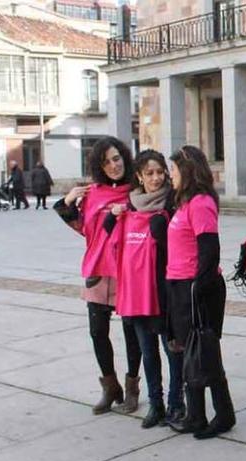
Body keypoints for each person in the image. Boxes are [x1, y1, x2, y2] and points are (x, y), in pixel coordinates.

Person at [54, 137, 142, 415]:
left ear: (125, 158)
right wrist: (67, 202)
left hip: (128, 271)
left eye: (116, 159)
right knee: (97, 331)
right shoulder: (92, 194)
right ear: (98, 166)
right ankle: (110, 387)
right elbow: (83, 228)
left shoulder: (136, 192)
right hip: (97, 271)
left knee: (132, 333)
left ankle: (132, 387)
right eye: (106, 162)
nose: (113, 165)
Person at [104, 149, 185, 429]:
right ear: (139, 175)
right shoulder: (130, 206)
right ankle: (156, 404)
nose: (156, 178)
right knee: (148, 354)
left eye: (160, 172)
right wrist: (114, 216)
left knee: (173, 351)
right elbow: (107, 233)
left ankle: (177, 403)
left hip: (165, 292)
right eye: (149, 173)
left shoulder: (174, 202)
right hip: (137, 294)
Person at [165, 145, 235, 440]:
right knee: (187, 349)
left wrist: (196, 288)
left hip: (198, 289)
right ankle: (196, 414)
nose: (170, 177)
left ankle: (223, 414)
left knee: (204, 350)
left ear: (188, 170)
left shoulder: (201, 202)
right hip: (180, 285)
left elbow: (210, 251)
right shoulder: (184, 202)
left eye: (173, 171)